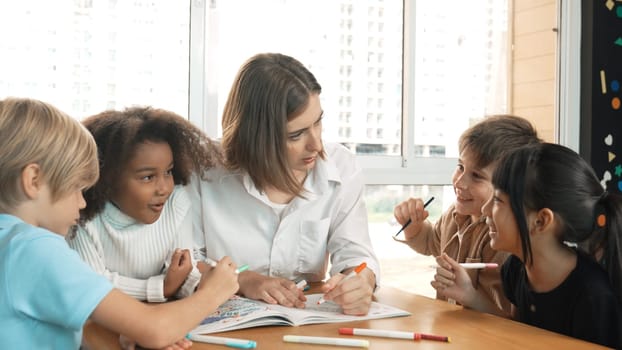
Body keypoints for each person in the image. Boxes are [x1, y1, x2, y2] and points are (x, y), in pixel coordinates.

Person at [0, 97, 239, 349]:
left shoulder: (11, 243)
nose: (82, 203)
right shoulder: (34, 249)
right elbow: (156, 330)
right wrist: (213, 293)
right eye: (76, 188)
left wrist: (128, 330)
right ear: (34, 180)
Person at [190, 52, 379, 315]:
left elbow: (356, 255)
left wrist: (360, 281)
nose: (316, 144)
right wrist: (242, 279)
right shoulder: (203, 169)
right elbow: (183, 260)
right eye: (296, 134)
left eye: (318, 122)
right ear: (255, 137)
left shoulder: (341, 166)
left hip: (303, 321)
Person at [434, 142, 622, 348]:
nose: (485, 209)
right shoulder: (516, 269)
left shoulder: (592, 297)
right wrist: (469, 295)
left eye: (497, 200)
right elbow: (518, 331)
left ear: (541, 221)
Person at [68, 107, 221, 302]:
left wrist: (203, 281)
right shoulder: (82, 215)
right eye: (148, 177)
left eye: (168, 172)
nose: (164, 188)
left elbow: (182, 271)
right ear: (108, 178)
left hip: (158, 319)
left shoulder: (177, 201)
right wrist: (162, 288)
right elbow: (92, 284)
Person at [393, 115, 541, 316]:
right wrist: (415, 228)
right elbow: (432, 243)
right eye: (460, 167)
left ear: (512, 187)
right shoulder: (455, 214)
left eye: (477, 176)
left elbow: (513, 321)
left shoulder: (506, 239)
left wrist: (470, 295)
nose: (460, 182)